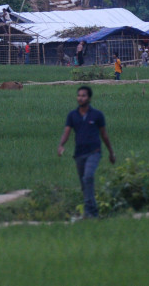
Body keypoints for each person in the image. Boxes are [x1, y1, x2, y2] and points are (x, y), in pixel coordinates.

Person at [57, 86, 116, 219]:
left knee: (88, 177)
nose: (80, 98)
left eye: (83, 95)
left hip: (94, 152)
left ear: (89, 98)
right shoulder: (72, 115)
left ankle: (91, 212)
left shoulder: (97, 115)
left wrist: (111, 153)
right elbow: (66, 132)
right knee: (84, 184)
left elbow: (104, 135)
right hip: (79, 153)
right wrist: (61, 145)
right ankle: (90, 212)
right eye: (79, 95)